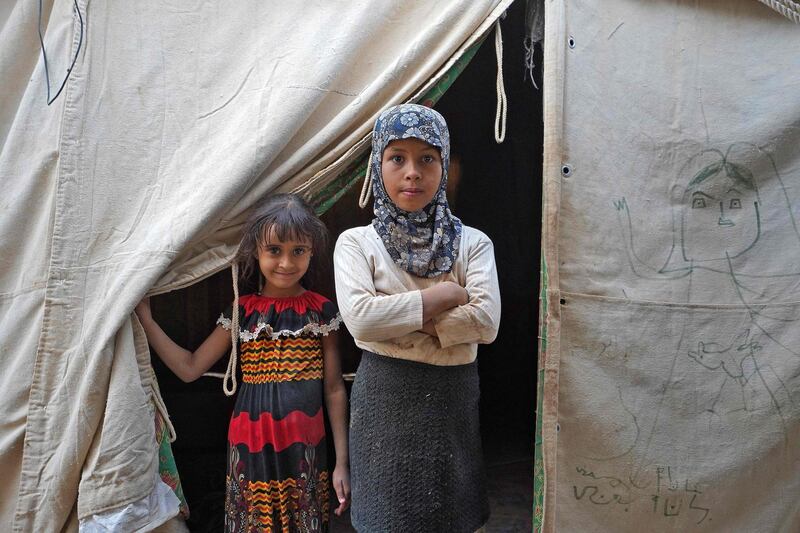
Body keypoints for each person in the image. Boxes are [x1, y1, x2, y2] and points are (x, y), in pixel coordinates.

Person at [135, 193, 350, 532]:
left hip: (307, 447)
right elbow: (190, 368)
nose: (286, 262)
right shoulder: (242, 311)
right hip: (251, 446)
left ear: (311, 251)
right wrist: (147, 321)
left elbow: (335, 388)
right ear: (255, 251)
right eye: (274, 250)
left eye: (298, 251)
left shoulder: (321, 312)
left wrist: (342, 462)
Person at [334, 104, 501, 532]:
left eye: (428, 158)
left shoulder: (473, 244)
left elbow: (486, 322)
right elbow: (362, 322)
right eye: (397, 158)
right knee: (386, 520)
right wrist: (446, 295)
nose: (413, 172)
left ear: (445, 166)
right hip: (385, 401)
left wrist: (397, 313)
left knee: (452, 517)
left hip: (452, 400)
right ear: (377, 165)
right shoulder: (357, 244)